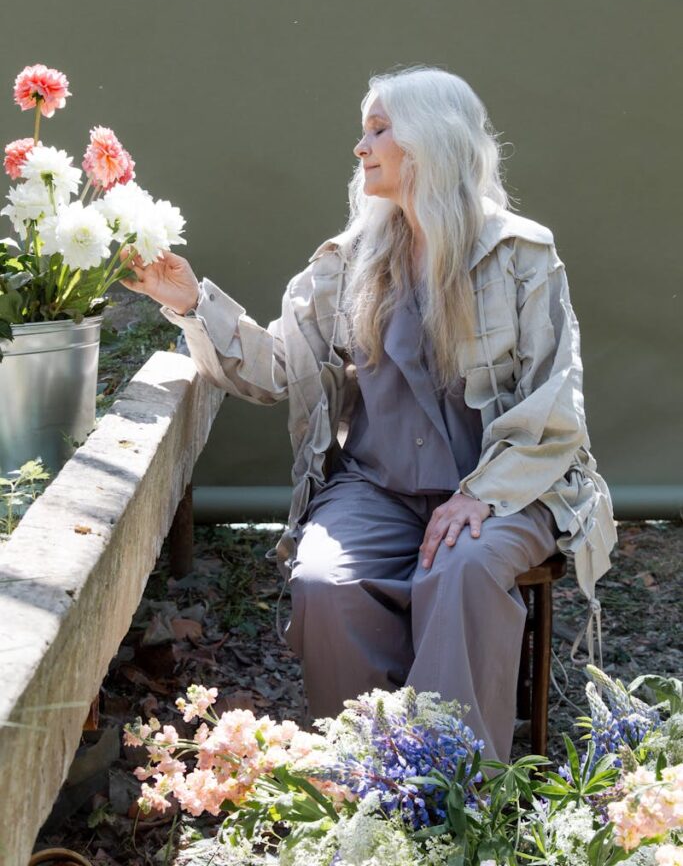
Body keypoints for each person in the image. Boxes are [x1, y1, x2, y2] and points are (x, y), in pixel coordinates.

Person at [122, 66, 616, 763]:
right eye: (364, 131)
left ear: (431, 139)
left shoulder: (520, 254)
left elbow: (552, 399)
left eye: (379, 129)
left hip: (507, 488)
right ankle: (368, 781)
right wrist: (188, 302)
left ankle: (453, 793)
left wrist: (478, 493)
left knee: (462, 569)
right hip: (377, 486)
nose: (361, 148)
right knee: (327, 582)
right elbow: (279, 370)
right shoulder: (348, 259)